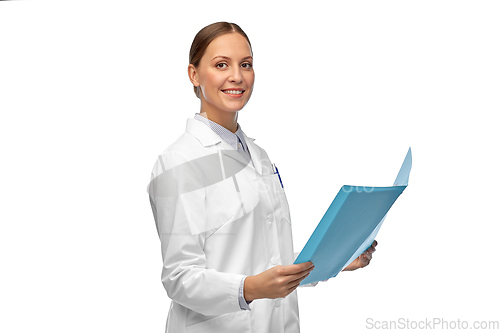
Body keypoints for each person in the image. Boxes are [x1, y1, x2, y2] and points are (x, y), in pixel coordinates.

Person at [147, 21, 378, 333]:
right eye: (221, 65)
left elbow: (267, 256)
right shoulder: (179, 162)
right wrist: (250, 289)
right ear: (194, 75)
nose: (237, 76)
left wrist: (333, 260)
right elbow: (179, 277)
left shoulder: (258, 156)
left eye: (246, 64)